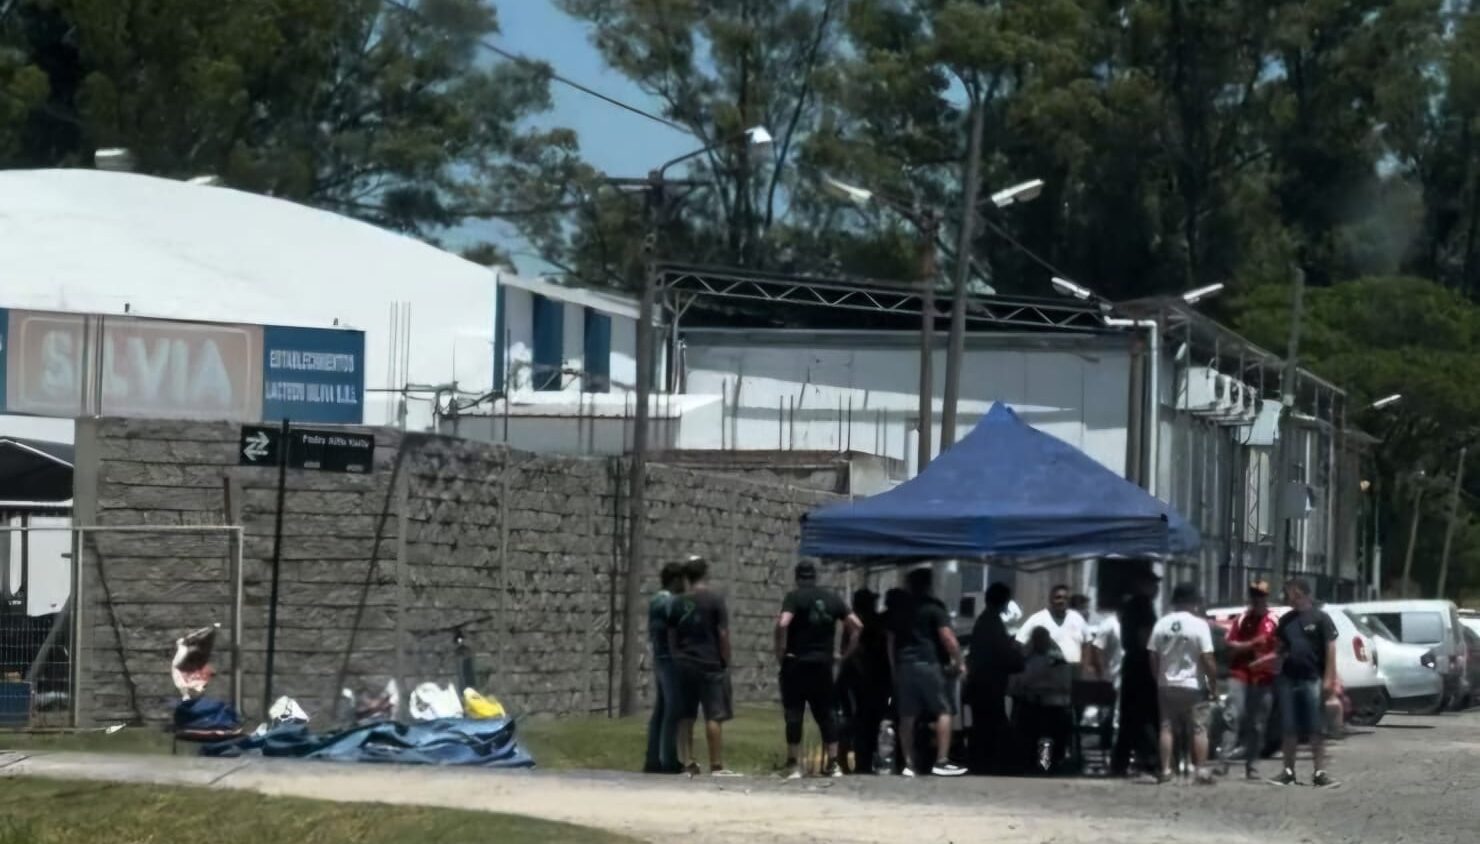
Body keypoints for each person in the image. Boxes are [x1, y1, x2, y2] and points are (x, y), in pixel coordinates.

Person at [774, 561, 863, 779]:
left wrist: (780, 650)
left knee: (794, 713)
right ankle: (833, 763)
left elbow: (783, 623)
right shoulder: (832, 598)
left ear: (797, 577)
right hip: (823, 665)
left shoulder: (794, 597)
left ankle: (793, 764)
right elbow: (857, 626)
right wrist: (844, 655)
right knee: (826, 714)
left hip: (796, 663)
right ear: (815, 577)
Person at [887, 568, 967, 777]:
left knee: (907, 715)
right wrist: (959, 662)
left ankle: (908, 763)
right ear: (929, 585)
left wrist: (894, 667)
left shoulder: (901, 608)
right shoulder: (934, 607)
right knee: (943, 711)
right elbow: (947, 637)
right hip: (930, 664)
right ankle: (941, 761)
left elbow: (891, 640)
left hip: (905, 664)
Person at [667, 556, 737, 776]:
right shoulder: (715, 600)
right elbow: (722, 634)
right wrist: (726, 659)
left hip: (684, 664)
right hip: (710, 662)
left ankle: (688, 762)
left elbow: (671, 636)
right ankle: (715, 764)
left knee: (686, 715)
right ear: (705, 574)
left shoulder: (677, 602)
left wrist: (675, 658)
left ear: (686, 577)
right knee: (713, 715)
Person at [1272, 578, 1339, 788]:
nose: (1289, 597)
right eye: (1287, 593)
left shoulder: (1320, 618)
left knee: (1315, 727)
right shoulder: (1286, 620)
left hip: (1312, 679)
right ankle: (1288, 771)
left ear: (1303, 593)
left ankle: (1320, 772)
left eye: (1292, 593)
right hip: (1288, 679)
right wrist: (1275, 663)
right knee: (1288, 727)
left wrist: (1329, 678)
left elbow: (1331, 648)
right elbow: (1280, 647)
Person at [1149, 583, 1218, 785]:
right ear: (1193, 601)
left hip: (1166, 683)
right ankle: (1200, 770)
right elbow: (1207, 658)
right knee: (1199, 728)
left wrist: (1158, 677)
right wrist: (1213, 682)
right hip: (1193, 684)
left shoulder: (1161, 624)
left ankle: (1166, 769)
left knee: (1166, 727)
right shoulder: (1199, 625)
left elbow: (1152, 654)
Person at [965, 582, 1025, 774]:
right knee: (990, 725)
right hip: (988, 685)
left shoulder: (986, 621)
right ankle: (987, 762)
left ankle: (983, 761)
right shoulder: (991, 624)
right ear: (1004, 601)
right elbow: (1002, 655)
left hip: (983, 683)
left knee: (985, 724)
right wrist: (1018, 658)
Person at [1223, 579, 1278, 779]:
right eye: (1254, 595)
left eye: (1261, 596)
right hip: (1240, 673)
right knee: (1233, 716)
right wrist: (1250, 644)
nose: (1257, 599)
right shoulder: (1241, 619)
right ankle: (1224, 762)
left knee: (1257, 723)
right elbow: (1229, 645)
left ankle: (1252, 765)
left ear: (1266, 597)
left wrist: (1249, 649)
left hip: (1263, 677)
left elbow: (1278, 649)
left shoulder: (1273, 620)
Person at [1111, 568, 1161, 777]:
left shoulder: (1130, 606)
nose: (1156, 588)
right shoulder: (1142, 605)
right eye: (1152, 583)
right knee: (1148, 714)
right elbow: (1145, 638)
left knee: (1130, 716)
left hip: (1132, 663)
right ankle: (1151, 760)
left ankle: (1120, 762)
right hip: (1142, 664)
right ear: (1141, 584)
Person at [837, 588, 890, 774]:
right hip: (866, 679)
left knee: (860, 721)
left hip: (859, 678)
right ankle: (861, 761)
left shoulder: (854, 622)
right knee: (864, 722)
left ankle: (859, 761)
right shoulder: (867, 623)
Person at [1011, 626, 1074, 773]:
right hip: (1032, 703)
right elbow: (1018, 682)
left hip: (1053, 706)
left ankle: (1047, 762)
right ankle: (1028, 760)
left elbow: (1064, 682)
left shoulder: (1057, 659)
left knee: (1048, 727)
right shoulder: (1028, 659)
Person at [643, 562, 686, 774]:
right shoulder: (668, 602)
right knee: (673, 708)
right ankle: (668, 759)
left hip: (660, 658)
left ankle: (653, 758)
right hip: (669, 659)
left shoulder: (656, 600)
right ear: (675, 580)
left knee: (661, 709)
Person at [1016, 584, 1091, 667]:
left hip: (1074, 670)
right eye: (1058, 597)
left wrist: (1085, 665)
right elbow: (1019, 642)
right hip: (1048, 671)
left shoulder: (1077, 618)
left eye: (1065, 598)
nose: (1062, 601)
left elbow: (1088, 641)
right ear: (1051, 599)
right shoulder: (1037, 618)